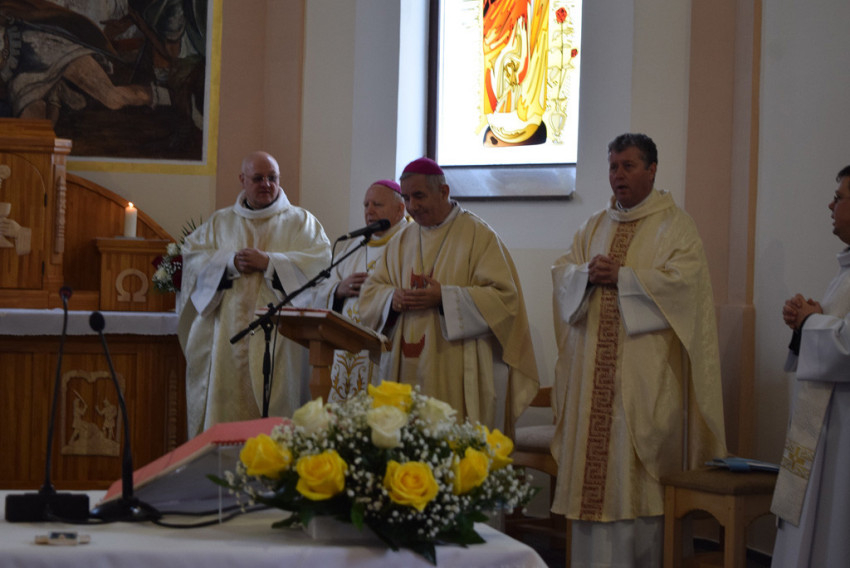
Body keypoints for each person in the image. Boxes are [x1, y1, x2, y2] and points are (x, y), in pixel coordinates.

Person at [550, 133, 727, 567]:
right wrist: (585, 275)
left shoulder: (675, 226)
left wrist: (624, 277)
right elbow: (562, 273)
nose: (618, 175)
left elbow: (686, 288)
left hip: (646, 379)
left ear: (652, 170)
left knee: (640, 478)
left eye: (628, 166)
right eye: (613, 166)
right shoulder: (593, 225)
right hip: (592, 377)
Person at [358, 157, 539, 434]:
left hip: (455, 363)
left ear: (443, 192)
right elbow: (372, 292)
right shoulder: (401, 240)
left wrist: (444, 298)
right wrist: (391, 299)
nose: (412, 206)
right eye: (406, 198)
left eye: (419, 196)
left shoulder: (478, 235)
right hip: (402, 364)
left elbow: (505, 299)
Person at [177, 151, 331, 436]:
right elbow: (193, 259)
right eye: (258, 178)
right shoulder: (220, 222)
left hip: (282, 336)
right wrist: (228, 262)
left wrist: (271, 263)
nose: (266, 184)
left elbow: (319, 265)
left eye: (272, 177)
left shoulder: (302, 222)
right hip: (227, 337)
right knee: (227, 413)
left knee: (277, 414)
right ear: (242, 180)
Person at [771, 165, 850, 567]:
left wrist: (811, 322)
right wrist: (806, 321)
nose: (830, 205)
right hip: (827, 428)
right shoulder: (845, 272)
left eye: (839, 198)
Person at [312, 179, 408, 401]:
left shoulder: (409, 243)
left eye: (377, 204)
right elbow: (322, 288)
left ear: (400, 209)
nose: (369, 211)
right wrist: (338, 289)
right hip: (343, 347)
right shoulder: (353, 246)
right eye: (366, 205)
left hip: (383, 348)